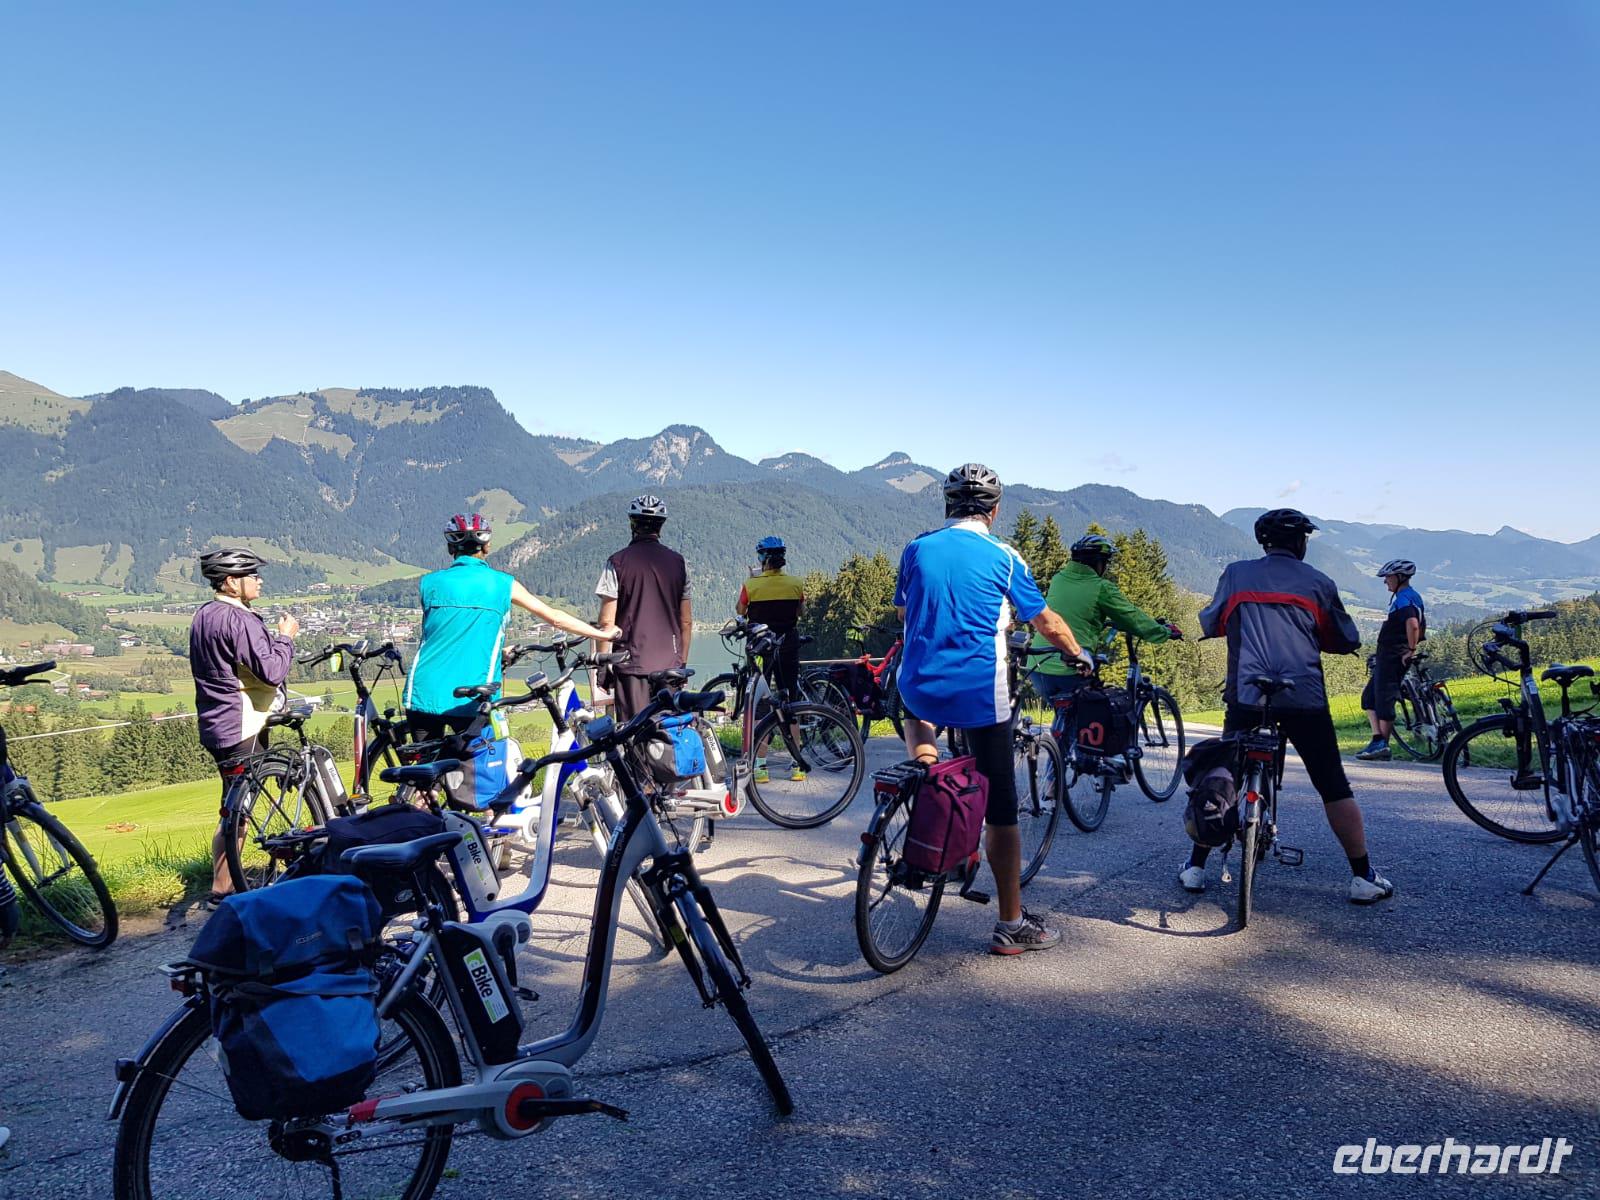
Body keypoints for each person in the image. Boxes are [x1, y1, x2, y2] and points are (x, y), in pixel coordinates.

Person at [895, 464, 1093, 955]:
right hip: (978, 693)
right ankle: (1011, 923)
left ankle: (932, 787)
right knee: (1001, 806)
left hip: (919, 686)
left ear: (947, 505)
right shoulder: (1004, 556)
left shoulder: (917, 548)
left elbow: (904, 610)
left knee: (917, 713)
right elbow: (1045, 621)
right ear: (995, 510)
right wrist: (1077, 654)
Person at [1185, 509, 1395, 904]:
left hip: (1247, 695)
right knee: (1332, 784)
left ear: (1263, 542)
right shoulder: (1319, 582)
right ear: (1301, 543)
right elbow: (1342, 637)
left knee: (1222, 773)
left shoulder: (1235, 574)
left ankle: (1195, 866)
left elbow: (1212, 623)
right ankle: (1363, 876)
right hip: (1304, 698)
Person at [405, 514, 620, 740]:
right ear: (487, 546)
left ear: (451, 548)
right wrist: (601, 634)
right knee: (478, 760)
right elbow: (555, 618)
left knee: (425, 761)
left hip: (424, 690)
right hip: (473, 694)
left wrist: (498, 653)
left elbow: (448, 633)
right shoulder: (502, 583)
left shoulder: (429, 583)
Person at [190, 546, 298, 907]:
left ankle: (223, 885)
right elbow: (272, 671)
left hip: (215, 720)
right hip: (242, 723)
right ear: (232, 583)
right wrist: (286, 637)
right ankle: (224, 891)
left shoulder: (204, 615)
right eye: (252, 574)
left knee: (230, 805)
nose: (259, 580)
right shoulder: (240, 620)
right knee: (239, 809)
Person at [1028, 532, 1182, 730]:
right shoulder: (1101, 587)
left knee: (1067, 720)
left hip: (1038, 666)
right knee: (1089, 721)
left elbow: (1074, 612)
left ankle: (1058, 748)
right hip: (1071, 667)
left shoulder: (1059, 579)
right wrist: (1163, 632)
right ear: (1098, 563)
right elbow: (1132, 617)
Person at [595, 496, 692, 721]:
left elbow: (606, 622)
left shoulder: (616, 562)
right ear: (661, 526)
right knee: (669, 730)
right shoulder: (679, 563)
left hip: (630, 664)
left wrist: (603, 665)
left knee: (634, 731)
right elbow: (686, 621)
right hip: (669, 664)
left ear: (632, 524)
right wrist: (682, 662)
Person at [736, 536, 807, 783]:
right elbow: (800, 612)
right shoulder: (796, 584)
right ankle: (797, 766)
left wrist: (755, 581)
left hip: (762, 648)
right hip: (788, 645)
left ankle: (760, 767)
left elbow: (740, 611)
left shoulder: (751, 585)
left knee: (761, 704)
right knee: (792, 702)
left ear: (763, 560)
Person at [1357, 559, 1425, 761]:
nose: (1385, 581)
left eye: (1388, 577)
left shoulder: (1405, 599)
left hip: (1395, 655)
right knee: (1369, 698)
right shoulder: (1407, 596)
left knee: (1384, 698)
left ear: (1400, 577)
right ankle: (1377, 740)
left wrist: (1410, 650)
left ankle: (1382, 745)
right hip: (1388, 654)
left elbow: (1413, 625)